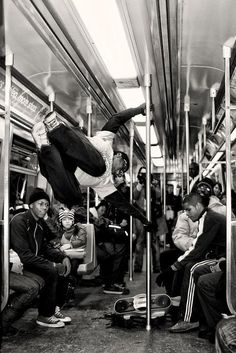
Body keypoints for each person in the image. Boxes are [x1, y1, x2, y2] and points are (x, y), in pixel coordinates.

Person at [31, 105, 151, 228]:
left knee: (73, 198)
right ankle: (55, 127)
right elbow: (117, 119)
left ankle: (44, 145)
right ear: (119, 155)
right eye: (123, 167)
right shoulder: (107, 140)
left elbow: (123, 205)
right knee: (99, 168)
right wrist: (139, 110)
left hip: (61, 165)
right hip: (70, 144)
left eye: (122, 173)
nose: (120, 172)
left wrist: (143, 219)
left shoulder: (106, 184)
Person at [156, 193, 226, 333]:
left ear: (199, 206)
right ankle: (187, 311)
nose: (187, 214)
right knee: (188, 265)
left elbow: (197, 248)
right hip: (218, 255)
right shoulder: (207, 217)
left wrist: (173, 267)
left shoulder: (210, 218)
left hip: (224, 259)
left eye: (189, 210)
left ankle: (188, 319)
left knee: (192, 268)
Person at [10, 188, 72, 328]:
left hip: (32, 260)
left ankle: (54, 309)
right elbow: (25, 255)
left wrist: (62, 257)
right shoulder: (19, 221)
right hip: (19, 264)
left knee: (66, 269)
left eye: (46, 205)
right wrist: (53, 265)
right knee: (51, 271)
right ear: (31, 204)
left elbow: (46, 246)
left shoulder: (39, 223)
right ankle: (44, 315)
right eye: (41, 204)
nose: (44, 207)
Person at [1, 250, 45, 336]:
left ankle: (9, 315)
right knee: (32, 288)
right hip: (4, 269)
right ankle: (4, 322)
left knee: (40, 281)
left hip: (6, 266)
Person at [90, 201, 129, 295]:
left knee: (116, 251)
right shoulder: (90, 214)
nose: (103, 211)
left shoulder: (95, 215)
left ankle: (111, 281)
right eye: (102, 208)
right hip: (93, 242)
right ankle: (110, 283)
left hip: (95, 240)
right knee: (111, 254)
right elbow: (99, 226)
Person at [133, 167, 159, 273]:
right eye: (141, 174)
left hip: (151, 215)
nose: (143, 176)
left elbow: (158, 196)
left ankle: (157, 267)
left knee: (154, 242)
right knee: (140, 241)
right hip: (140, 215)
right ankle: (137, 267)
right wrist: (140, 184)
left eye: (145, 174)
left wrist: (152, 185)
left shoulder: (152, 186)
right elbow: (134, 196)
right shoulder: (136, 185)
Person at [58, 208, 87, 291]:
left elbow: (82, 240)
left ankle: (71, 284)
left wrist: (70, 245)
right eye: (64, 219)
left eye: (70, 219)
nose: (67, 221)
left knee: (73, 264)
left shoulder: (79, 229)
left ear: (73, 220)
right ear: (61, 222)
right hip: (64, 255)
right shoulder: (60, 231)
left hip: (76, 255)